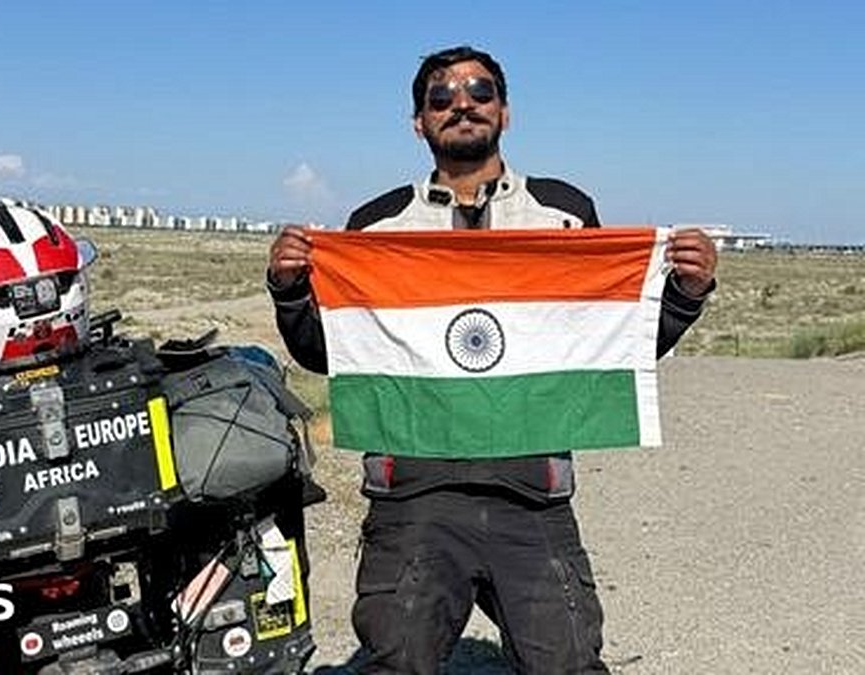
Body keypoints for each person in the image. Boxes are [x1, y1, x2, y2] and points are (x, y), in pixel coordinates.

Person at [267, 45, 717, 674]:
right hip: (413, 495)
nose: (462, 104)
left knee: (568, 666)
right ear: (419, 122)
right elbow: (331, 354)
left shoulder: (564, 215)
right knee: (395, 664)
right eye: (441, 97)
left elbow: (609, 342)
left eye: (480, 92)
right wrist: (290, 290)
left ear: (505, 112)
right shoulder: (374, 228)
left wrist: (685, 294)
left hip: (531, 495)